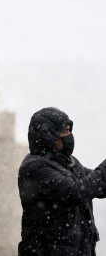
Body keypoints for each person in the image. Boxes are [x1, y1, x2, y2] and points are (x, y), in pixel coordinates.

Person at [18, 107, 106, 256]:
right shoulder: (35, 167)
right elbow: (76, 192)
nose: (69, 136)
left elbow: (100, 187)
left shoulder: (70, 162)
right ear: (48, 135)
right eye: (64, 131)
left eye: (69, 130)